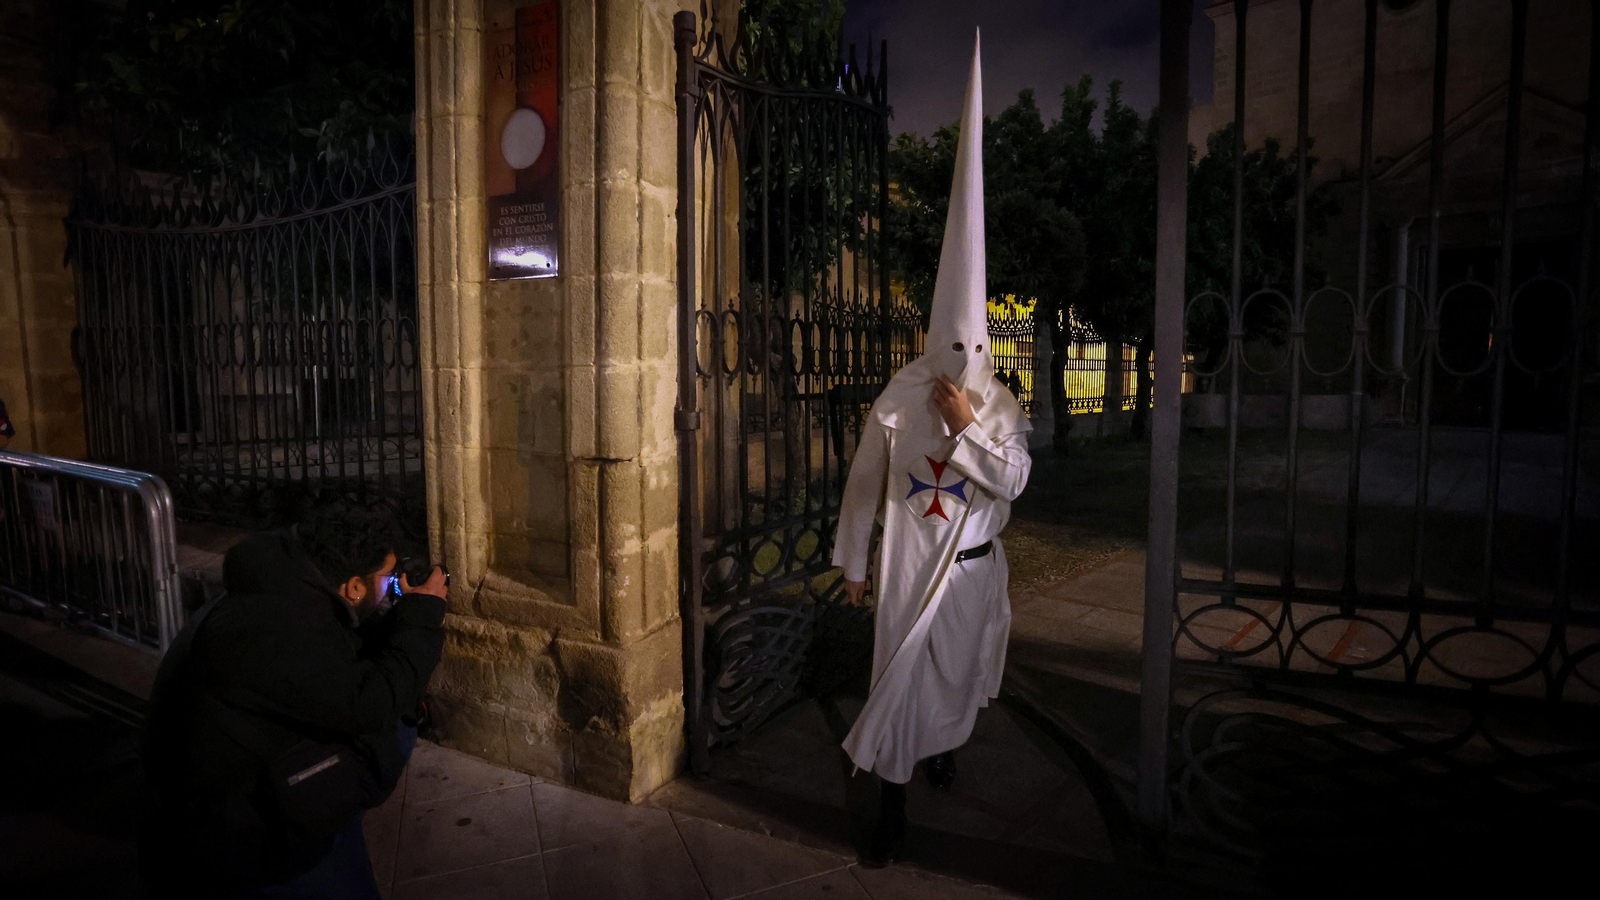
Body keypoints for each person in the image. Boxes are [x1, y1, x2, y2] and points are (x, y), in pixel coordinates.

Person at [832, 32, 1031, 868]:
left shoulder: (1001, 406)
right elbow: (863, 481)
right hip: (912, 570)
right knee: (899, 686)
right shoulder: (899, 396)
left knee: (951, 685)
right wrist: (854, 560)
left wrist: (969, 428)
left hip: (973, 573)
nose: (958, 366)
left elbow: (1014, 480)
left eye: (971, 351)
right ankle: (891, 811)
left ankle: (941, 749)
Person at [140, 502, 449, 899]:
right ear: (353, 586)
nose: (393, 585)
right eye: (388, 579)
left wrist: (397, 614)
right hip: (240, 831)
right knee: (390, 730)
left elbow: (334, 647)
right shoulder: (276, 632)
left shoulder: (283, 584)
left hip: (254, 792)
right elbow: (371, 703)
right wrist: (422, 616)